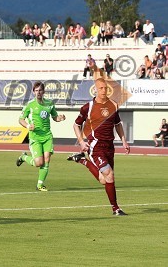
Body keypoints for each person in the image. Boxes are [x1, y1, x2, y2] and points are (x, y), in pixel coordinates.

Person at [67, 78, 130, 216]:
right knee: (109, 175)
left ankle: (82, 160)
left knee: (104, 180)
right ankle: (116, 209)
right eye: (100, 88)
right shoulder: (88, 107)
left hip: (109, 147)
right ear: (95, 89)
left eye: (105, 88)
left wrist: (124, 141)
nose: (103, 91)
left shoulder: (113, 104)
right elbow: (76, 125)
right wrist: (81, 141)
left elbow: (118, 124)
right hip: (96, 147)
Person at [16, 82, 66, 191]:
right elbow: (20, 119)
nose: (38, 92)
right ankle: (23, 157)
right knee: (39, 163)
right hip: (35, 137)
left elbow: (55, 117)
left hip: (47, 136)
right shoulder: (30, 104)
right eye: (36, 90)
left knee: (47, 159)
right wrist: (28, 126)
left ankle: (40, 184)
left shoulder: (49, 103)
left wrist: (60, 118)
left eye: (40, 90)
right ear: (34, 92)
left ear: (44, 92)